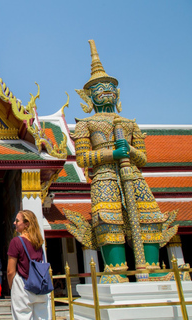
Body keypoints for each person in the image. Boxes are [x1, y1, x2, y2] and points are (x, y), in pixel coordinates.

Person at [70, 40, 175, 280]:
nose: (105, 90)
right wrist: (112, 154)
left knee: (148, 218)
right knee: (109, 220)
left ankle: (150, 266)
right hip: (105, 176)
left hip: (133, 176)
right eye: (99, 88)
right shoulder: (86, 124)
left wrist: (127, 149)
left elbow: (143, 158)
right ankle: (116, 269)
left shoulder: (130, 124)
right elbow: (83, 158)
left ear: (116, 92)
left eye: (109, 86)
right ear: (90, 96)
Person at [7, 210, 50, 320]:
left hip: (23, 285)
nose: (14, 223)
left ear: (26, 224)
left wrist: (12, 288)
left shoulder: (16, 242)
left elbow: (10, 271)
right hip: (40, 286)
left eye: (17, 220)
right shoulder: (39, 242)